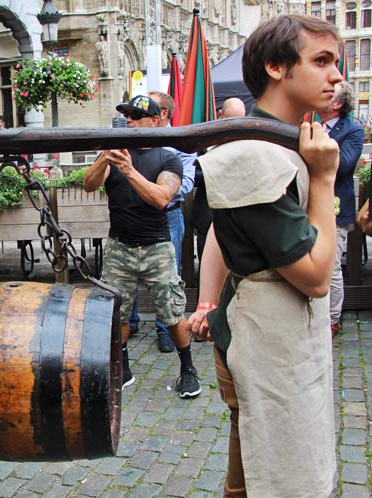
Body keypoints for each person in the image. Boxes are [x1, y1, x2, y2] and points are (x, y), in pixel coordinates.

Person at [188, 14, 342, 497]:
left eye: (335, 62)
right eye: (321, 61)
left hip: (284, 338)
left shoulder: (279, 144)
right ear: (277, 66)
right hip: (267, 341)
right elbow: (317, 276)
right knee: (274, 470)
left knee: (259, 466)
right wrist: (323, 180)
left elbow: (220, 231)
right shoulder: (254, 154)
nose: (337, 75)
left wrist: (207, 301)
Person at [84, 95, 201, 398]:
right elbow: (88, 185)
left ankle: (188, 369)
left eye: (137, 116)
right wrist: (105, 157)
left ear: (155, 121)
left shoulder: (167, 157)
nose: (131, 121)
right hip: (119, 247)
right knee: (117, 313)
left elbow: (162, 197)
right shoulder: (116, 153)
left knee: (173, 313)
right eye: (127, 115)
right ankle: (122, 367)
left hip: (157, 247)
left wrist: (129, 170)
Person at [128, 90, 196, 354]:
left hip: (167, 216)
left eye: (141, 114)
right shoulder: (129, 142)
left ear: (161, 115)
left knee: (168, 277)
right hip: (133, 215)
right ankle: (129, 323)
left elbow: (186, 183)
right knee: (127, 269)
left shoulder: (182, 144)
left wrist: (155, 188)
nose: (133, 119)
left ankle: (165, 329)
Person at [317, 81, 364, 338]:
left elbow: (344, 165)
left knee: (331, 266)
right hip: (309, 207)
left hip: (336, 209)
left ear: (338, 104)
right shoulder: (311, 126)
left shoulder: (352, 131)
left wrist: (320, 143)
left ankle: (332, 319)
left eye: (329, 93)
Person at [190, 97, 246, 265]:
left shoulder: (249, 142)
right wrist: (217, 170)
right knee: (207, 266)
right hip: (207, 218)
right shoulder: (205, 140)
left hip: (239, 219)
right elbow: (193, 175)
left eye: (239, 120)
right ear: (220, 115)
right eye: (231, 119)